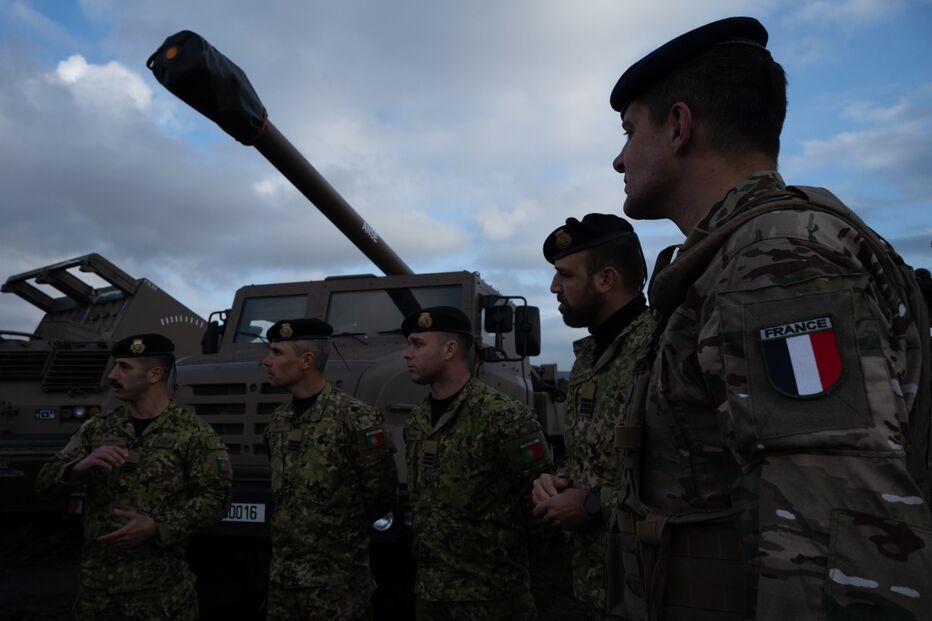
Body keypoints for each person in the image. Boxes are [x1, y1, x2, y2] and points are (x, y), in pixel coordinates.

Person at [608, 16, 932, 620]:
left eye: (629, 133)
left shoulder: (779, 261)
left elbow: (838, 541)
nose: (618, 160)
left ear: (679, 126)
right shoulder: (739, 255)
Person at [35, 333, 232, 620]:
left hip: (159, 595)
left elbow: (217, 500)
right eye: (115, 366)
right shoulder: (97, 429)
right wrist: (78, 466)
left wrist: (157, 526)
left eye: (125, 367)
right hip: (97, 593)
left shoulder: (194, 434)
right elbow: (43, 482)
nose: (113, 375)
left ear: (154, 374)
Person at [531, 213, 655, 619]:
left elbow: (700, 476)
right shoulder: (587, 358)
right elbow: (595, 455)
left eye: (564, 275)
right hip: (595, 583)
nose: (553, 288)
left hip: (652, 587)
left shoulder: (661, 350)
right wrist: (560, 480)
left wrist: (594, 504)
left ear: (606, 279)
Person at [401, 306, 552, 620]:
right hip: (430, 593)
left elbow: (539, 507)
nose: (407, 354)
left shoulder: (503, 416)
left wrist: (504, 565)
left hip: (492, 597)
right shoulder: (416, 422)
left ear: (450, 349)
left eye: (417, 344)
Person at [262, 318, 397, 620]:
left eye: (277, 352)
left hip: (337, 585)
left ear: (307, 360)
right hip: (283, 583)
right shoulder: (278, 421)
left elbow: (381, 495)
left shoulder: (357, 419)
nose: (266, 361)